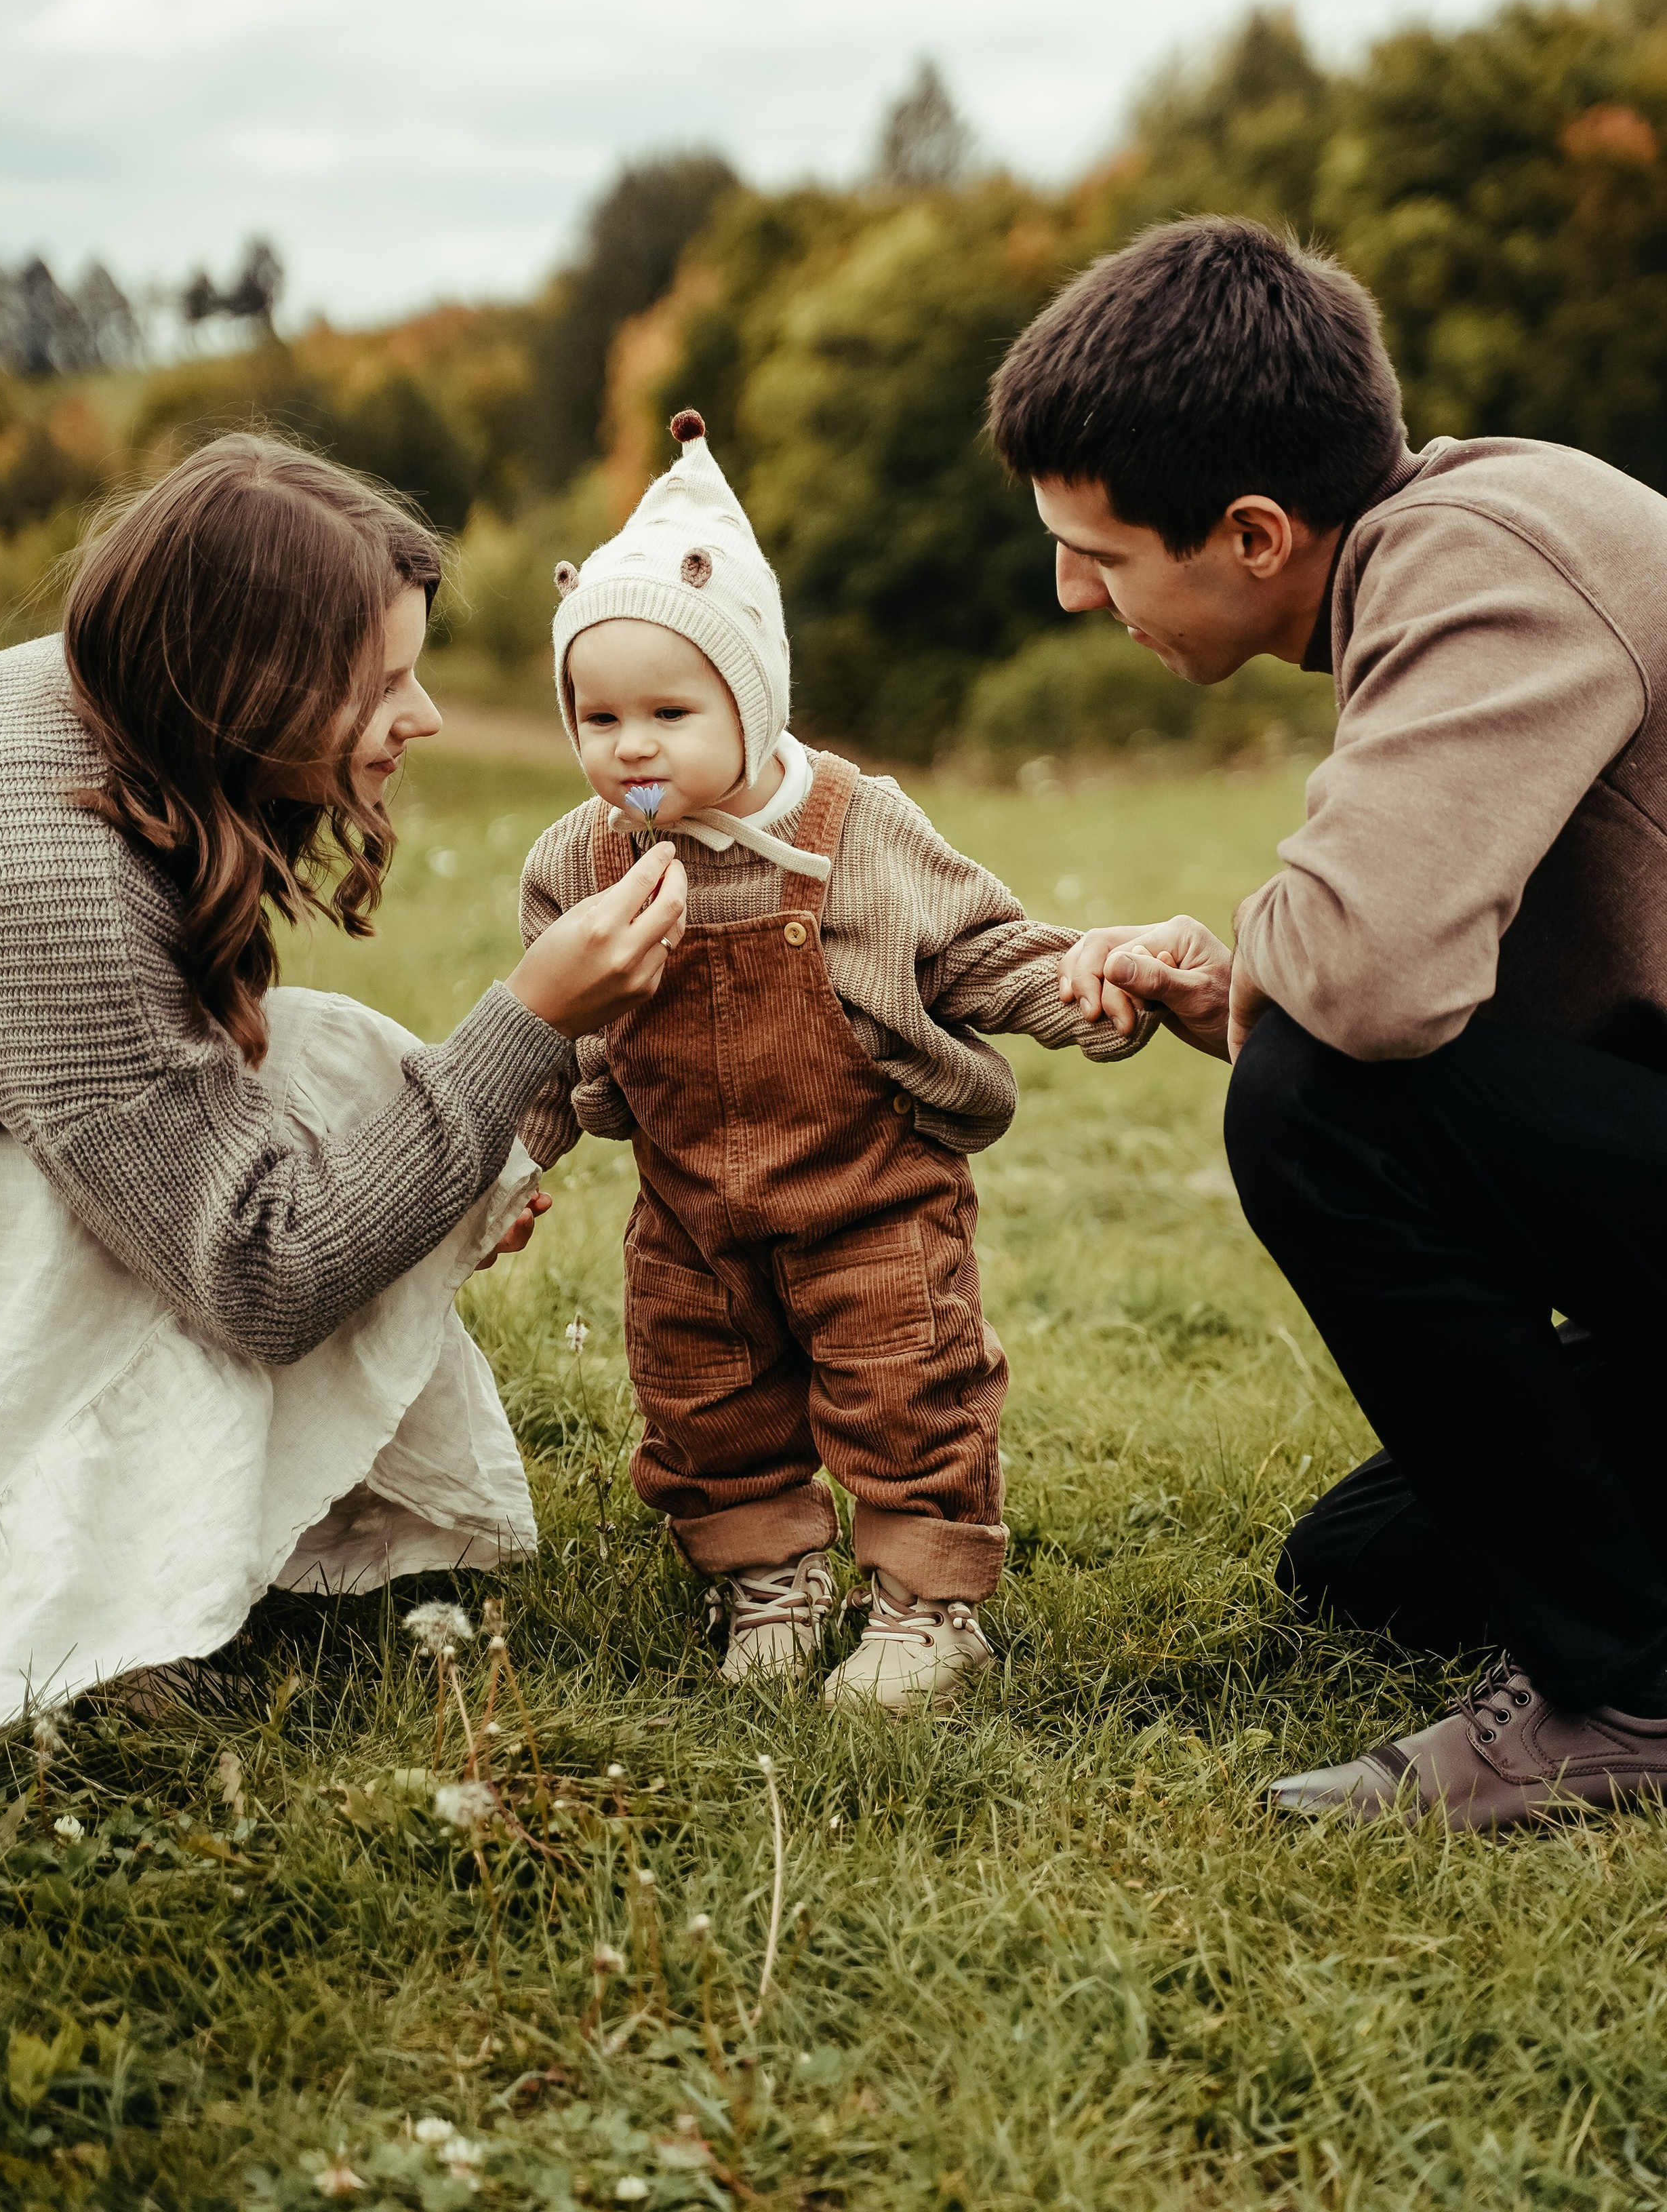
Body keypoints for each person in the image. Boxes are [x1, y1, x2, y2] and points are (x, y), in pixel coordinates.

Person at [988, 213, 1667, 1832]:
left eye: (1096, 550)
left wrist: (1269, 993)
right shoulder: (1455, 549)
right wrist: (1242, 990)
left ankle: (1619, 1698)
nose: (1072, 594)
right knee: (1360, 1568)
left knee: (1312, 1101)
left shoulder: (1484, 558)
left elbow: (1366, 988)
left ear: (1249, 533)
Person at [0, 435, 686, 1743]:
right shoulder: (55, 877)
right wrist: (533, 1022)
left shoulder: (98, 701)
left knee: (321, 1054)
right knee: (97, 1222)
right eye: (381, 682)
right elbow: (257, 1272)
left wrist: (437, 1169)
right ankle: (75, 1613)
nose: (428, 715)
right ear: (243, 682)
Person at [516, 410, 1154, 1713]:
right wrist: (503, 1164)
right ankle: (767, 1578)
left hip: (870, 1195)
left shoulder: (852, 829)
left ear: (751, 703)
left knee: (906, 1391)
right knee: (705, 1396)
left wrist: (1081, 991)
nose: (631, 747)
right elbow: (548, 1039)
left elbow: (977, 951)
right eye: (600, 716)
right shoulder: (576, 862)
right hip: (691, 1209)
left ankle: (927, 1611)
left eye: (670, 711)